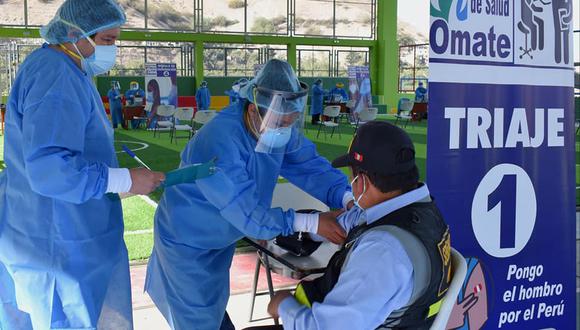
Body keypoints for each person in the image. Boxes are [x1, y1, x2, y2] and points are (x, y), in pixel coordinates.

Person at [145, 59, 354, 330]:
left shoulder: (276, 127)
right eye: (280, 122)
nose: (284, 130)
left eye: (290, 123)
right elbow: (247, 213)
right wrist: (312, 222)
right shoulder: (219, 140)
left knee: (211, 310)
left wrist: (347, 197)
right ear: (254, 109)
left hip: (221, 238)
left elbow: (310, 167)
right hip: (188, 240)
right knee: (195, 317)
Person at [0, 1, 165, 329]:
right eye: (106, 40)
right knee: (60, 317)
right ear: (74, 34)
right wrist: (123, 180)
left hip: (61, 227)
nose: (112, 49)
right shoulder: (55, 73)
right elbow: (50, 169)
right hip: (56, 238)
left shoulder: (71, 69)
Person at [254, 121, 452, 330]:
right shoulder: (419, 210)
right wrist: (311, 227)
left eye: (352, 175)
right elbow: (346, 222)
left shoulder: (382, 252)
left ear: (362, 181)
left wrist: (284, 305)